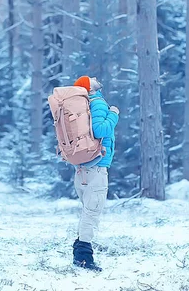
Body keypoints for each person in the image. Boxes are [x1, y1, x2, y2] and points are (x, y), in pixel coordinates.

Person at [71, 75, 119, 272]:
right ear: (90, 88)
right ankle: (83, 257)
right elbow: (100, 130)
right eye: (91, 79)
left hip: (83, 166)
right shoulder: (97, 103)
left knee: (87, 210)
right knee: (92, 211)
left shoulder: (82, 106)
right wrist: (114, 114)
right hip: (97, 166)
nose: (96, 78)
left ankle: (79, 250)